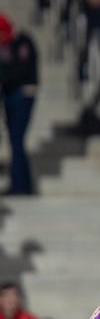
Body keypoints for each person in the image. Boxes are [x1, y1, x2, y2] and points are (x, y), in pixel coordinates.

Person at [0, 13, 38, 195]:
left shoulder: (23, 42)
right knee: (15, 141)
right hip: (8, 96)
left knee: (16, 140)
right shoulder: (3, 46)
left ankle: (21, 186)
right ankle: (21, 184)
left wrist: (5, 80)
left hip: (23, 95)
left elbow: (22, 70)